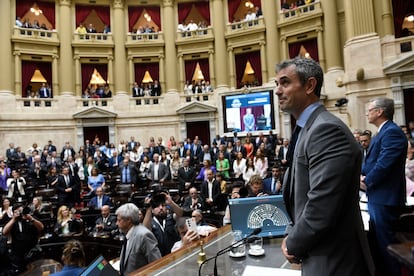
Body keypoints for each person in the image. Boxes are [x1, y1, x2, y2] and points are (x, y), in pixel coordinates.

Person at [275, 58, 374, 275]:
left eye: (285, 83)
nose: (277, 91)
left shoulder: (326, 129)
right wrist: (291, 232)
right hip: (318, 253)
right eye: (277, 84)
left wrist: (293, 243)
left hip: (334, 259)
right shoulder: (306, 129)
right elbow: (298, 196)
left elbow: (321, 206)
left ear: (310, 85)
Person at [361, 97, 408, 276]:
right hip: (378, 197)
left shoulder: (391, 132)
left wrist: (366, 181)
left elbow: (384, 164)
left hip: (385, 199)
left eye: (370, 109)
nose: (367, 112)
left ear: (379, 112)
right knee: (379, 245)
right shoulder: (382, 132)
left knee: (387, 247)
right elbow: (372, 163)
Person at [116, 203, 161, 275]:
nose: (116, 223)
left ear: (128, 220)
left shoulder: (144, 235)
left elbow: (157, 264)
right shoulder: (129, 233)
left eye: (119, 220)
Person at [2, 204, 44, 273]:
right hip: (18, 254)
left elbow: (41, 227)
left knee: (36, 272)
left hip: (32, 252)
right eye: (17, 211)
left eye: (21, 210)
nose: (20, 212)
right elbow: (4, 232)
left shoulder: (31, 218)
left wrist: (31, 219)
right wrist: (14, 218)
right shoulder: (12, 221)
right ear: (13, 213)